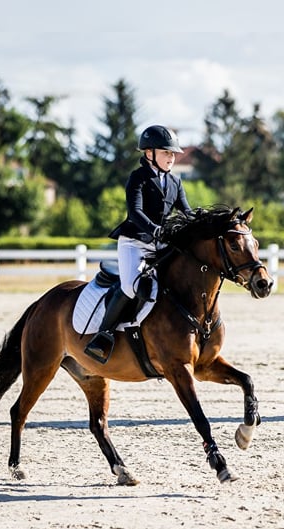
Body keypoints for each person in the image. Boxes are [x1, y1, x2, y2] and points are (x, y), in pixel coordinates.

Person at [84, 124, 194, 363]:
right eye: (166, 152)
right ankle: (103, 336)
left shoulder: (175, 182)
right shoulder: (138, 178)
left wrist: (204, 223)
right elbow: (135, 212)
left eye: (173, 153)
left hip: (161, 244)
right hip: (134, 242)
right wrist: (155, 230)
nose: (172, 157)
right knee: (132, 287)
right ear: (149, 153)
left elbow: (186, 212)